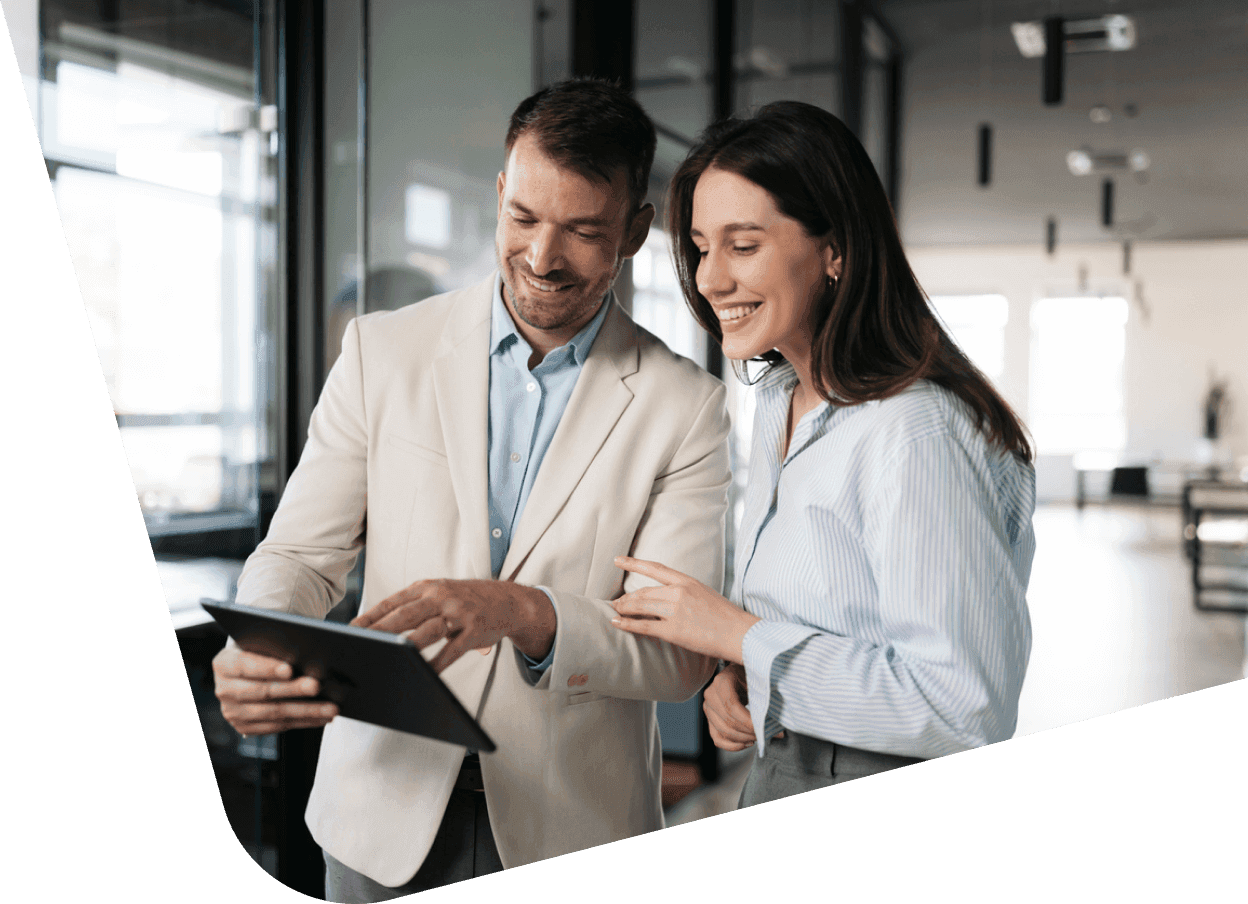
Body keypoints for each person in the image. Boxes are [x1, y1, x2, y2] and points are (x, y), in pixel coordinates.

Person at [212, 79, 730, 900]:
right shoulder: (383, 351)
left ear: (634, 231)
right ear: (499, 194)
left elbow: (675, 657)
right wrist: (259, 647)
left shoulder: (686, 406)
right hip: (378, 818)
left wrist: (522, 612)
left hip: (574, 828)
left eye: (583, 230)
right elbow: (301, 556)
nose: (542, 257)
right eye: (523, 218)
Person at [610, 101, 1036, 807]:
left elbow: (964, 707)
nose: (710, 278)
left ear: (834, 251)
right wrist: (740, 674)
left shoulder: (914, 430)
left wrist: (739, 636)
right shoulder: (780, 399)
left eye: (744, 246)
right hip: (781, 772)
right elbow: (815, 621)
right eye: (702, 247)